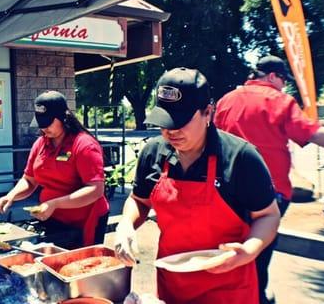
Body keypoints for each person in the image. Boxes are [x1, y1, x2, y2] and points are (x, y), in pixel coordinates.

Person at [114, 67, 280, 304]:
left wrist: (250, 250)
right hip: (173, 283)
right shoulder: (153, 152)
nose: (170, 131)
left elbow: (268, 216)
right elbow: (139, 200)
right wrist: (126, 224)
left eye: (180, 121)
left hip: (228, 285)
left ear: (208, 112)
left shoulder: (241, 157)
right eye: (164, 121)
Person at [214, 55, 324, 304]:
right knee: (258, 250)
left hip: (226, 191)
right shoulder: (280, 101)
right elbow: (313, 133)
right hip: (268, 194)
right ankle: (256, 296)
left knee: (229, 247)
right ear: (272, 76)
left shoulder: (226, 100)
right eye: (283, 80)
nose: (284, 86)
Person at [0, 90, 109, 248]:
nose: (44, 129)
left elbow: (95, 189)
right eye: (41, 123)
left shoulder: (84, 145)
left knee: (78, 266)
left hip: (84, 221)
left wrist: (54, 204)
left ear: (63, 117)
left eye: (48, 123)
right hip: (52, 218)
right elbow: (29, 180)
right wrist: (12, 195)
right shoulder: (41, 143)